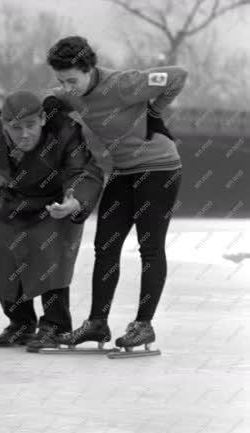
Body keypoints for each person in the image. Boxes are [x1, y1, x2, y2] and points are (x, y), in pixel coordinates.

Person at [43, 36, 187, 356]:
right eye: (61, 81)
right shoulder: (73, 93)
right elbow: (55, 98)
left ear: (89, 68)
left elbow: (178, 75)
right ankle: (97, 322)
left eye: (72, 80)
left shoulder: (123, 85)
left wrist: (153, 109)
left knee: (149, 248)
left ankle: (143, 323)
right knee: (104, 247)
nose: (68, 87)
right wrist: (47, 101)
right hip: (123, 171)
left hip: (159, 168)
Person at [0, 90, 104, 352]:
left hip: (57, 200)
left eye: (30, 126)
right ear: (3, 124)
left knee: (50, 258)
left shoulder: (65, 130)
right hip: (15, 199)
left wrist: (74, 201)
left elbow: (82, 170)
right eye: (15, 128)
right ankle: (20, 324)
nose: (24, 134)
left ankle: (55, 326)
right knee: (6, 263)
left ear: (43, 120)